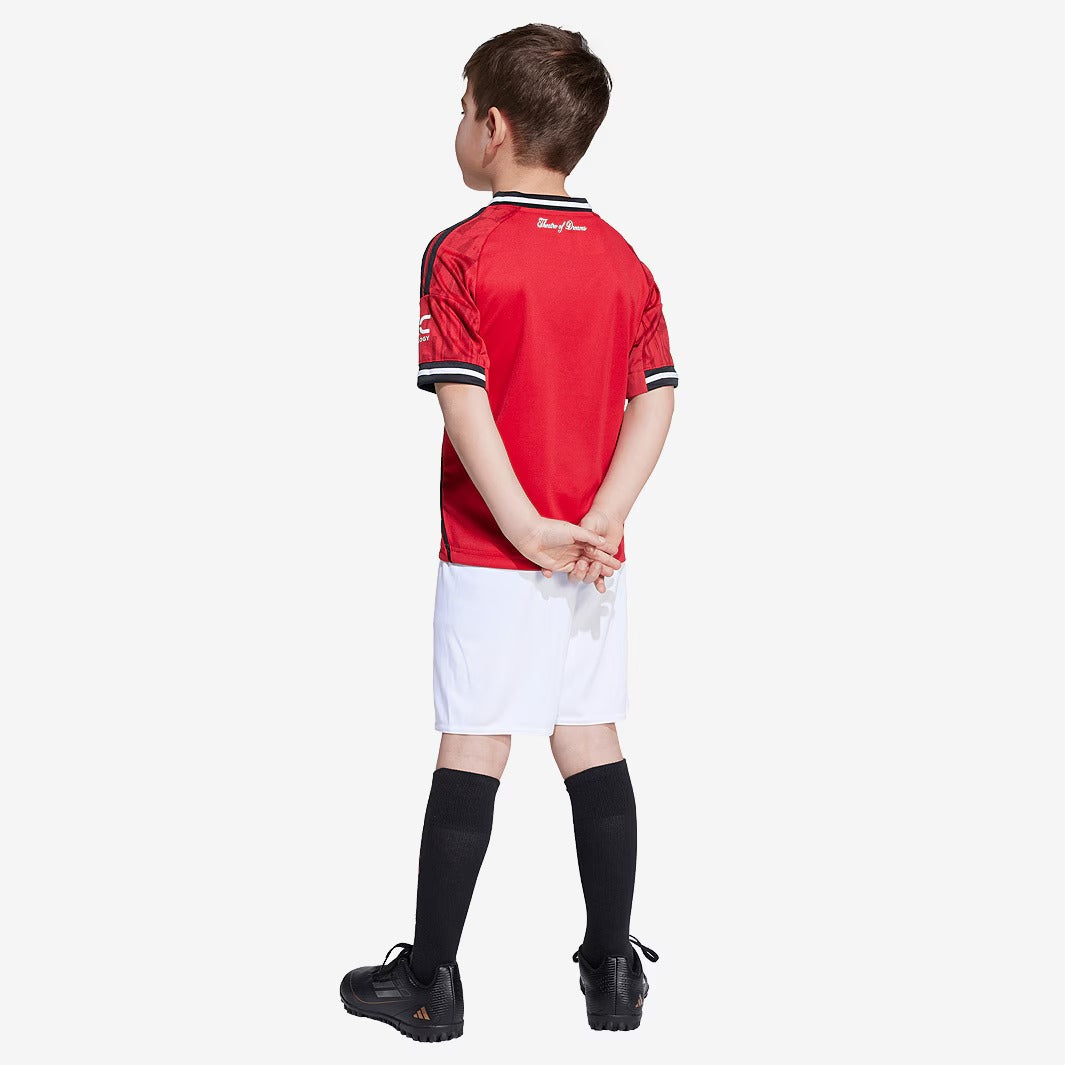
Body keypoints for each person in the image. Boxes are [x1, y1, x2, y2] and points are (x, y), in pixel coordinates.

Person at [340, 23, 677, 1041]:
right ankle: (612, 971)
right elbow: (658, 397)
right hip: (593, 559)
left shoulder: (463, 251)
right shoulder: (623, 259)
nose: (458, 126)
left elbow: (464, 400)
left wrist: (527, 526)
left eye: (460, 109)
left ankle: (429, 981)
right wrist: (604, 516)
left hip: (498, 550)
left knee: (475, 745)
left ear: (491, 127)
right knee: (591, 740)